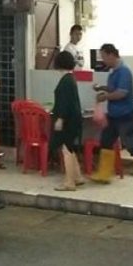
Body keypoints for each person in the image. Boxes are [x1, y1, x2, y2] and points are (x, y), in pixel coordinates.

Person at [90, 43, 133, 188]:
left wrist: (106, 97)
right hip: (113, 115)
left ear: (111, 55)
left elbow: (122, 93)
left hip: (125, 115)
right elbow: (113, 89)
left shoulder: (124, 72)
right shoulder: (114, 72)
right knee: (106, 141)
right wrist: (102, 88)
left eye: (104, 57)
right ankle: (104, 173)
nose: (103, 61)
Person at [51, 50, 86, 191]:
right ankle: (77, 177)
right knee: (70, 148)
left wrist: (60, 119)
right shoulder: (70, 79)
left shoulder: (65, 81)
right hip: (74, 119)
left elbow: (64, 103)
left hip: (68, 120)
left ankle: (69, 182)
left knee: (66, 149)